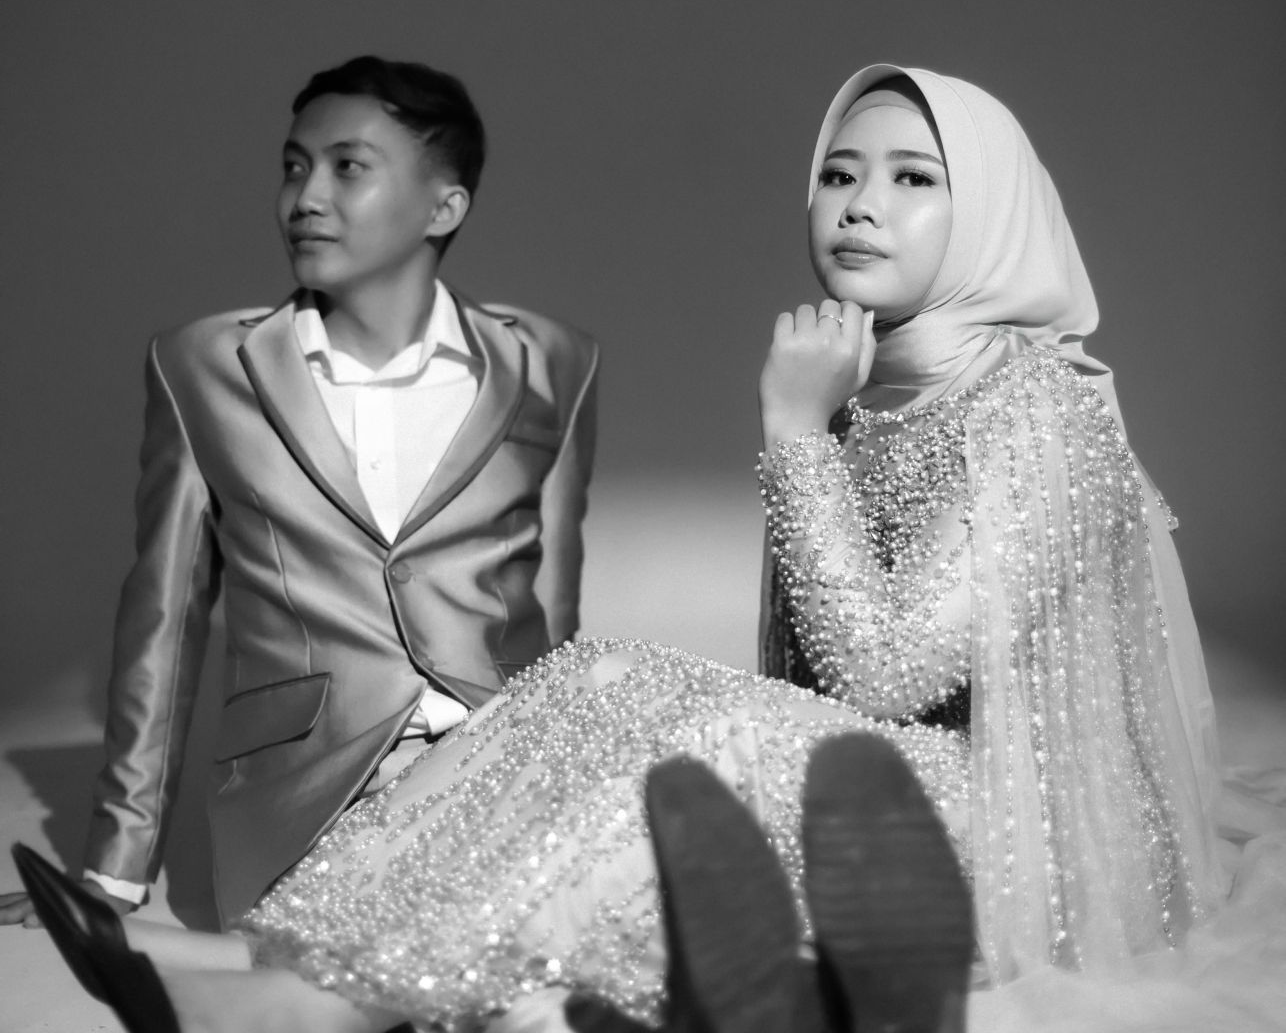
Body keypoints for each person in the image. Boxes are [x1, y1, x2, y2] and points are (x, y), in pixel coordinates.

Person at [13, 63, 1279, 1033]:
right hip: (886, 788)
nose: (858, 204)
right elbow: (818, 689)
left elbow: (883, 679)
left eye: (912, 178)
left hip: (1004, 835)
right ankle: (275, 960)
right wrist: (817, 429)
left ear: (989, 211)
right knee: (597, 677)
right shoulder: (865, 392)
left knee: (677, 726)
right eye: (839, 173)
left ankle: (310, 1008)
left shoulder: (1037, 407)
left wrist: (790, 430)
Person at [1, 55, 600, 929]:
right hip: (309, 797)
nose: (305, 196)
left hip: (505, 770)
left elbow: (555, 609)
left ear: (445, 207)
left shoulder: (552, 360)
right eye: (293, 166)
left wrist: (572, 793)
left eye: (347, 167)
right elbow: (164, 624)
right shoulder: (204, 366)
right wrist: (112, 876)